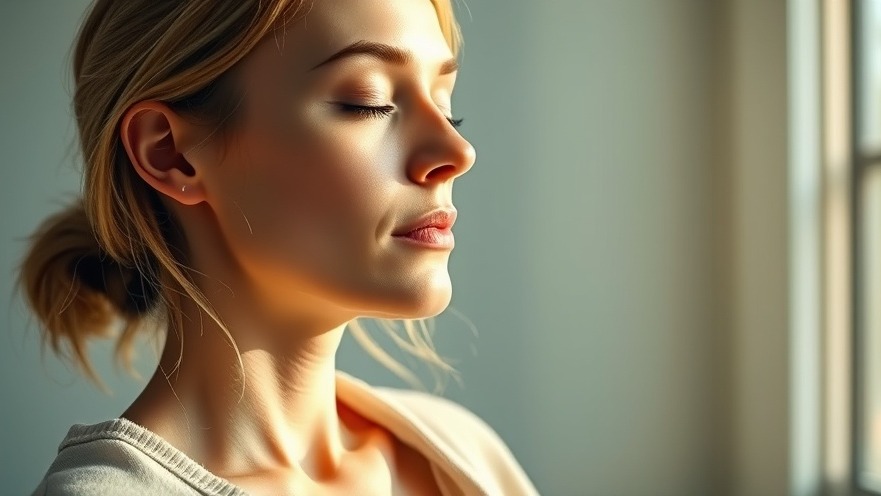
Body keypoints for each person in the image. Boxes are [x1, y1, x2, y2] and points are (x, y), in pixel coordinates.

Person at [22, 0, 538, 494]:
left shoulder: (463, 452)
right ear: (170, 153)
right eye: (368, 102)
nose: (457, 151)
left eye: (446, 107)